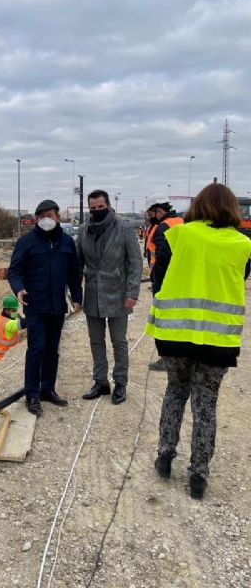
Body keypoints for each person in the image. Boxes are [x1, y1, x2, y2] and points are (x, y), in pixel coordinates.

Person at [146, 183, 251, 499]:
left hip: (176, 335)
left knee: (175, 393)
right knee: (206, 406)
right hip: (218, 341)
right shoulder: (243, 243)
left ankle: (165, 457)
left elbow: (158, 277)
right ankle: (198, 476)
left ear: (198, 206)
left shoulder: (179, 235)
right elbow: (240, 277)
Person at [8, 199, 82, 417]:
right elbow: (14, 271)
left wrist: (77, 297)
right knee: (36, 348)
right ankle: (32, 394)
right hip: (36, 305)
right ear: (36, 219)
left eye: (50, 215)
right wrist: (19, 288)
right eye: (41, 217)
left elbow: (73, 273)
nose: (46, 220)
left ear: (58, 216)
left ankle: (47, 389)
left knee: (52, 349)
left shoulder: (67, 242)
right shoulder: (27, 242)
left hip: (57, 305)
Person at [76, 190, 143, 404]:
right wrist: (76, 293)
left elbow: (135, 263)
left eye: (100, 207)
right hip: (93, 296)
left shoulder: (124, 229)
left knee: (118, 342)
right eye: (93, 208)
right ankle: (100, 382)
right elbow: (78, 263)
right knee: (96, 341)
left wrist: (132, 292)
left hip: (119, 295)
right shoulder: (84, 230)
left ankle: (120, 383)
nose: (97, 211)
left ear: (108, 205)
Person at [144, 194, 184, 371]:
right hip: (179, 280)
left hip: (164, 282)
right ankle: (178, 355)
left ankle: (167, 358)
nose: (149, 216)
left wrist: (157, 284)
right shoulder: (181, 222)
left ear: (159, 210)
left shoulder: (163, 227)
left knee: (162, 321)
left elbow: (161, 259)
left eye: (150, 212)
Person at [0, 294, 27, 362]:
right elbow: (24, 323)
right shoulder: (8, 324)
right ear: (7, 310)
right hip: (3, 358)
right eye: (13, 310)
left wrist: (16, 315)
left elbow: (15, 316)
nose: (15, 312)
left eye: (16, 309)